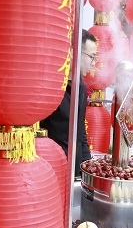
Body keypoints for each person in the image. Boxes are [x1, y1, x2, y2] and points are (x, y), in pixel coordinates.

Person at [40, 29, 96, 176]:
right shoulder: (52, 86)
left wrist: (87, 169)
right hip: (51, 168)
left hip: (74, 169)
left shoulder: (81, 87)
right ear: (72, 52)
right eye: (91, 57)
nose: (93, 63)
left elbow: (80, 133)